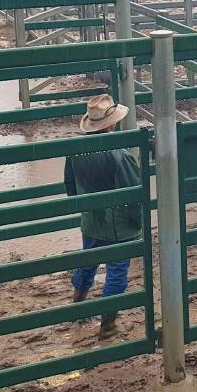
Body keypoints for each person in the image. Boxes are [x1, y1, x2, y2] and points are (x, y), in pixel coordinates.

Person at [65, 94, 142, 339]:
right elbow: (132, 194)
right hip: (118, 227)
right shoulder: (120, 155)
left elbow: (70, 186)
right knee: (117, 271)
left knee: (88, 261)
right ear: (110, 124)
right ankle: (107, 325)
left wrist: (86, 208)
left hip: (90, 221)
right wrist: (138, 221)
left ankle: (78, 304)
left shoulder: (76, 151)